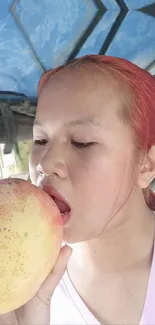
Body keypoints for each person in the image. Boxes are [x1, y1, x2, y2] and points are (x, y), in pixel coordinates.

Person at [1, 54, 155, 325]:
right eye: (40, 139)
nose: (45, 163)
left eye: (81, 142)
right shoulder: (23, 286)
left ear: (146, 165)